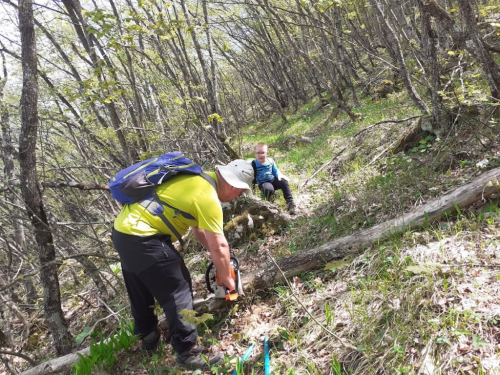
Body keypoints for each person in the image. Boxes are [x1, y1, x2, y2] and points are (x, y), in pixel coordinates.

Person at [111, 159, 254, 370]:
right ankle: (187, 353)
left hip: (122, 232)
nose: (238, 197)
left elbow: (199, 230)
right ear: (234, 185)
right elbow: (219, 246)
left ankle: (148, 336)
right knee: (178, 288)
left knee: (139, 286)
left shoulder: (196, 179)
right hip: (145, 237)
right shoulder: (208, 197)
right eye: (240, 193)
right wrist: (228, 279)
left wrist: (217, 257)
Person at [252, 142, 296, 214]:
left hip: (272, 179)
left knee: (284, 182)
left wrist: (280, 176)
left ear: (267, 153)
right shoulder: (253, 163)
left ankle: (290, 203)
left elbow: (275, 171)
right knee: (268, 190)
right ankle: (269, 203)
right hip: (263, 183)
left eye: (263, 152)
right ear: (255, 154)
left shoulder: (270, 161)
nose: (261, 155)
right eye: (258, 153)